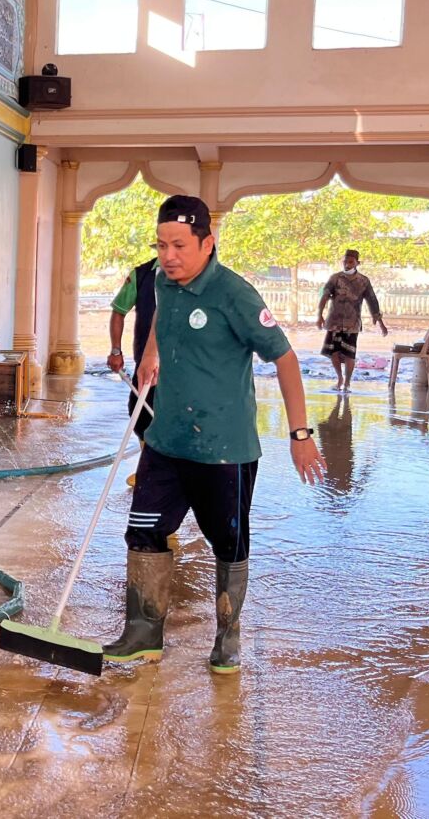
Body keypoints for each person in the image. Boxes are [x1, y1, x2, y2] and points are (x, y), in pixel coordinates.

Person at [104, 195, 326, 674]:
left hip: (224, 449)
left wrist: (300, 434)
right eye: (161, 245)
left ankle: (228, 637)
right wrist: (150, 351)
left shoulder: (234, 295)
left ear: (208, 243)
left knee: (228, 544)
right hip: (166, 441)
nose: (168, 256)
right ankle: (142, 633)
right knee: (143, 531)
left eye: (179, 246)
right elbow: (162, 312)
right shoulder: (164, 281)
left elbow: (285, 358)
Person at [316, 249, 389, 392]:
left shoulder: (363, 281)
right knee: (334, 353)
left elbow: (372, 301)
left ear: (357, 263)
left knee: (350, 354)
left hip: (352, 323)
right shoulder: (335, 278)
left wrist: (381, 323)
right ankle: (340, 379)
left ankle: (347, 383)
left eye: (350, 262)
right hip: (334, 322)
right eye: (345, 261)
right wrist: (319, 315)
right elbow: (324, 296)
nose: (347, 264)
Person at [107, 256, 158, 440]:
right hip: (146, 362)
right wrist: (116, 351)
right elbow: (119, 312)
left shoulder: (199, 276)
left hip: (186, 366)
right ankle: (147, 455)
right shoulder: (141, 275)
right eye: (163, 246)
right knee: (142, 415)